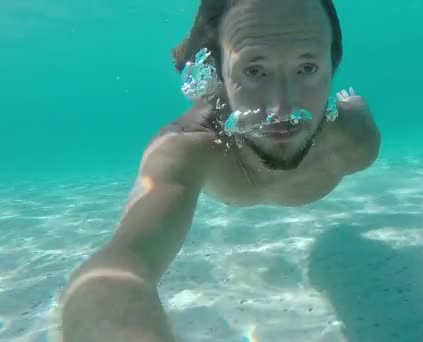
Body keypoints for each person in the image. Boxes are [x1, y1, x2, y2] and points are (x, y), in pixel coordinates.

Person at [57, 0, 380, 340]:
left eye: (307, 68)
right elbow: (122, 263)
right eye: (254, 71)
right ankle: (200, 59)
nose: (282, 110)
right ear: (223, 75)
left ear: (333, 64)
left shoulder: (356, 140)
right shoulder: (189, 148)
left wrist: (352, 107)